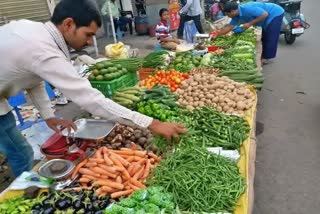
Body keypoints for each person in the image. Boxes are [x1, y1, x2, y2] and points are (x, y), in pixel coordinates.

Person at [0, 0, 187, 177]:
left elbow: (34, 78)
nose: (90, 42)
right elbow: (92, 101)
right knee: (20, 153)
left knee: (18, 149)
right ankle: (22, 192)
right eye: (88, 34)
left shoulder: (35, 32)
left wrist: (48, 116)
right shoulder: (44, 50)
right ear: (68, 24)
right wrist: (152, 124)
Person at [214, 1, 284, 64]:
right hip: (266, 16)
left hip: (275, 13)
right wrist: (217, 35)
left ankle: (266, 58)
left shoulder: (247, 8)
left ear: (232, 11)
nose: (228, 16)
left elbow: (265, 14)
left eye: (228, 14)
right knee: (265, 35)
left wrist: (249, 24)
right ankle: (264, 55)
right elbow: (229, 27)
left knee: (270, 35)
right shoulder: (236, 16)